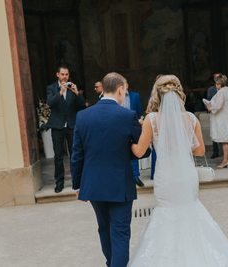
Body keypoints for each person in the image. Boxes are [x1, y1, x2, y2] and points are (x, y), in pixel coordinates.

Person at [128, 75, 228, 267]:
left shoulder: (151, 120)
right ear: (179, 93)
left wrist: (129, 143)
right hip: (186, 176)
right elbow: (199, 150)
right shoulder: (191, 119)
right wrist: (181, 144)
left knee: (166, 214)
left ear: (157, 95)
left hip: (165, 177)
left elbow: (140, 151)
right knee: (190, 211)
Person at [71, 72, 150, 267]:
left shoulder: (82, 116)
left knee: (104, 229)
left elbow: (77, 155)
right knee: (120, 233)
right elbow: (143, 150)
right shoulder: (127, 116)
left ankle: (111, 264)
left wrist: (77, 184)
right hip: (119, 184)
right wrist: (127, 149)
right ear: (120, 89)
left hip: (93, 184)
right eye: (125, 90)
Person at [46, 65, 85, 193]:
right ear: (57, 75)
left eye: (66, 74)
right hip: (57, 126)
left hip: (71, 126)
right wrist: (60, 92)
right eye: (62, 74)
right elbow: (50, 103)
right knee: (58, 156)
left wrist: (76, 93)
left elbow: (81, 106)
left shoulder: (72, 87)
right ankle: (59, 183)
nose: (64, 77)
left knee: (74, 155)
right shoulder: (51, 88)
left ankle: (76, 181)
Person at [206, 74, 228, 168]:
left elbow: (218, 106)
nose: (216, 85)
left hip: (223, 119)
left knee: (225, 140)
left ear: (219, 83)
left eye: (217, 83)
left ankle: (225, 161)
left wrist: (210, 108)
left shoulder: (221, 92)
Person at [122, 82, 145, 187]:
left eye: (125, 83)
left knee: (134, 149)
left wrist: (140, 120)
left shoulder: (135, 96)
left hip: (133, 125)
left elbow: (139, 110)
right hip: (120, 126)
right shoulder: (117, 95)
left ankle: (136, 176)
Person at [206, 73, 221, 159]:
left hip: (223, 114)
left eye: (218, 78)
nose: (217, 79)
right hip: (214, 113)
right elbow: (208, 99)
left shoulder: (225, 89)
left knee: (225, 132)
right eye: (216, 78)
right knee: (214, 132)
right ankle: (215, 152)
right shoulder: (211, 89)